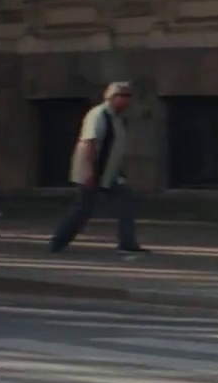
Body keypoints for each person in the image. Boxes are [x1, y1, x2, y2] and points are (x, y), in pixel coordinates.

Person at [49, 82, 147, 256]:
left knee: (126, 199)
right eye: (123, 96)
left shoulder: (116, 118)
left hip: (108, 173)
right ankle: (58, 241)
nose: (127, 101)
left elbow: (114, 147)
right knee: (82, 208)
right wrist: (88, 171)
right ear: (111, 97)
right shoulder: (99, 115)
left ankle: (127, 242)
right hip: (94, 171)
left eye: (128, 96)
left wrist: (118, 171)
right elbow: (89, 143)